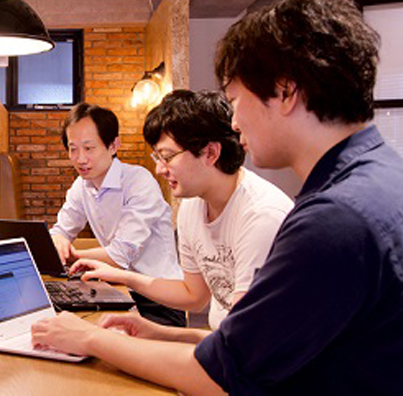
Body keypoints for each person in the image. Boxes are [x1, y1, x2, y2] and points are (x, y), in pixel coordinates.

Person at [32, 0, 403, 395]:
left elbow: (224, 375)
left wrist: (90, 339)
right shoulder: (381, 178)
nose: (233, 122)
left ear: (285, 92)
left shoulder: (336, 219)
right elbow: (251, 346)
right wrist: (155, 334)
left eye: (235, 100)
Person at [70, 90, 293, 329]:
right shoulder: (192, 206)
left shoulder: (261, 217)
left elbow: (243, 339)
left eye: (167, 157)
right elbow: (193, 296)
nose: (160, 169)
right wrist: (121, 277)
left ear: (211, 153)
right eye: (157, 158)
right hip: (225, 341)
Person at [48, 103, 187, 327]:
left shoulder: (138, 181)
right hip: (116, 291)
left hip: (158, 300)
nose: (80, 159)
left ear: (113, 145)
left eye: (89, 148)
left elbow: (120, 256)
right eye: (73, 149)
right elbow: (61, 230)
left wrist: (72, 256)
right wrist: (58, 240)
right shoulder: (82, 186)